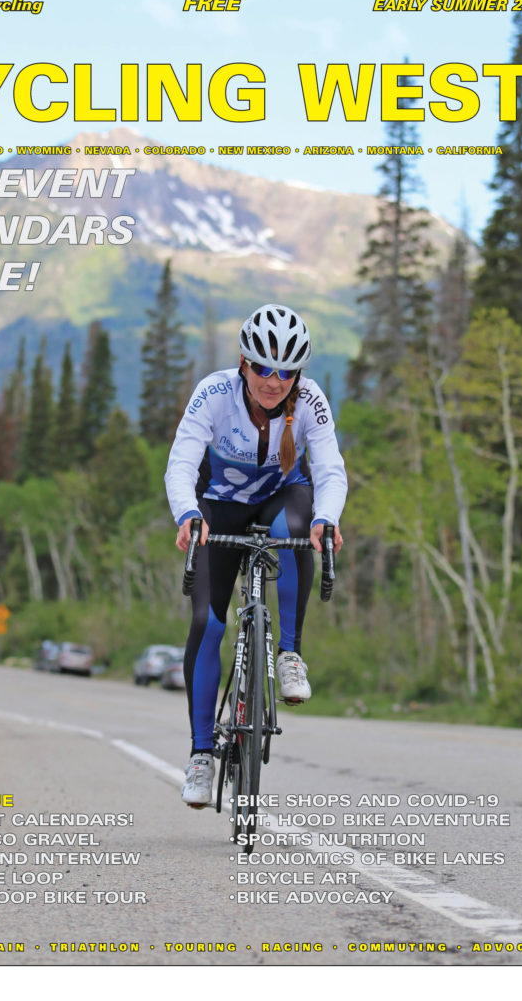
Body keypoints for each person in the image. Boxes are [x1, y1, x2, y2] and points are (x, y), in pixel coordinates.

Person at [165, 304, 347, 807]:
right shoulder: (215, 394)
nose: (274, 380)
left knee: (298, 520)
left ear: (298, 374)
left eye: (286, 371)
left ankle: (289, 652)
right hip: (218, 509)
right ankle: (202, 753)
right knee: (209, 622)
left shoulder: (309, 400)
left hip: (279, 502)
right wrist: (186, 513)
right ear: (244, 364)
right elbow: (181, 462)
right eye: (263, 368)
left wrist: (325, 519)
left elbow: (330, 469)